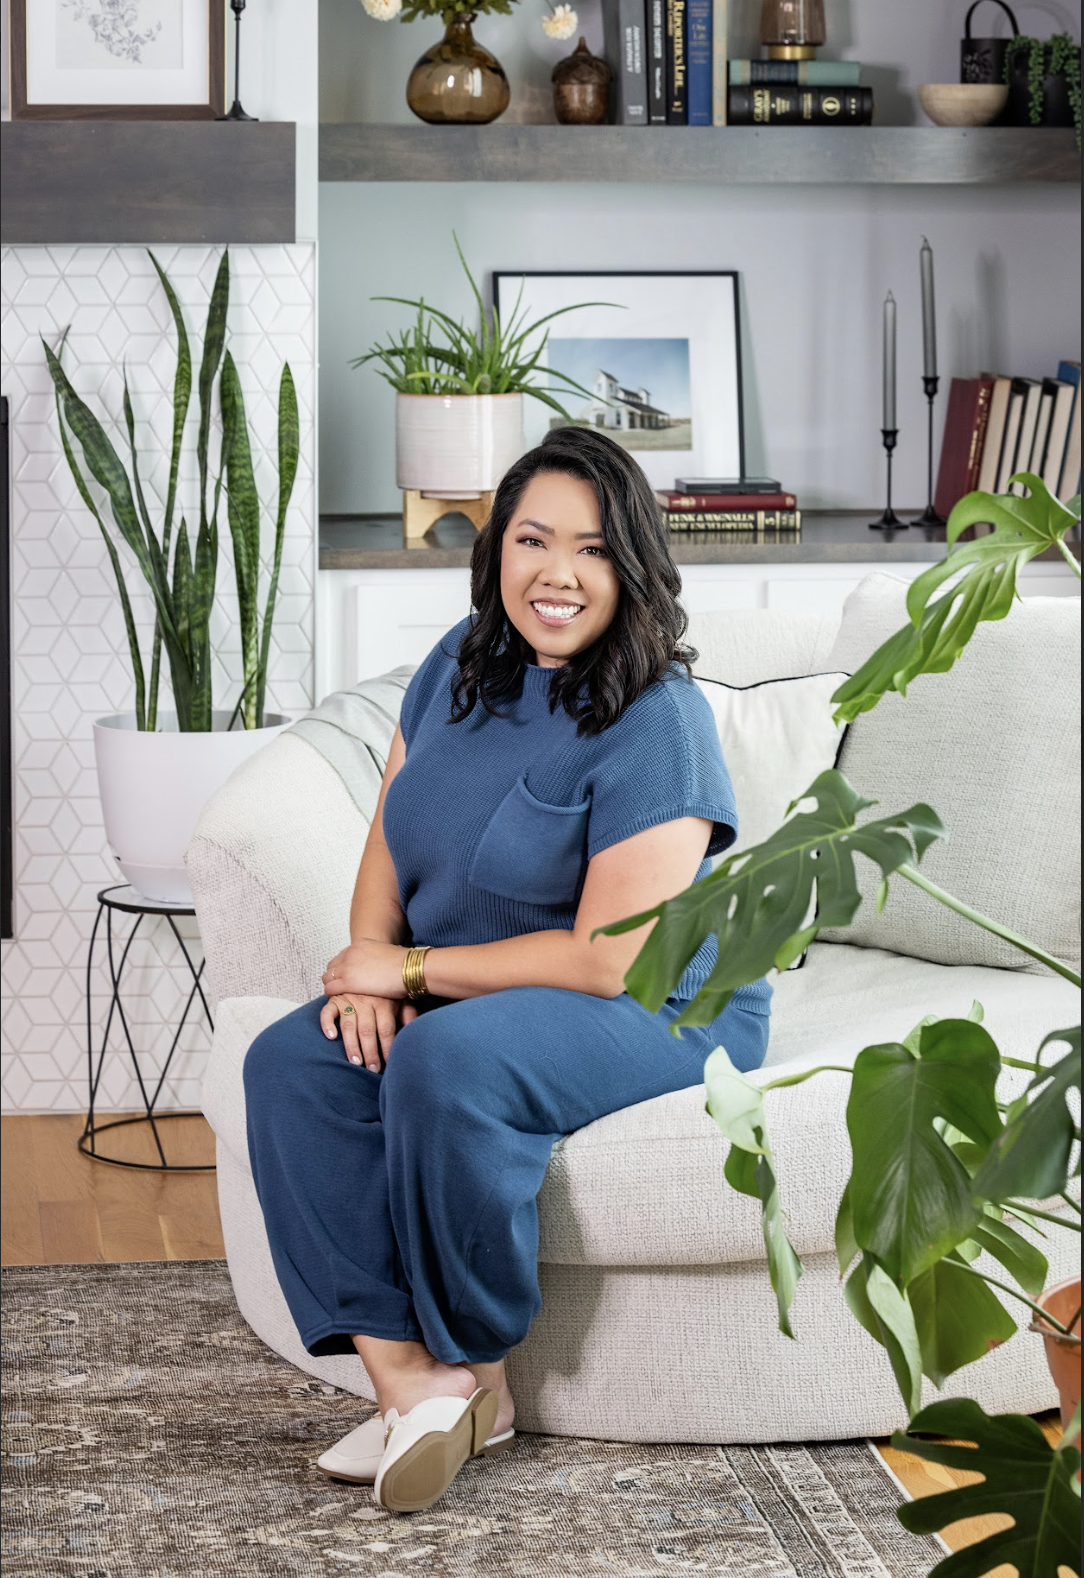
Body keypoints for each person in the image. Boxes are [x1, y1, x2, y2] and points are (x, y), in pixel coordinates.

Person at [242, 425, 773, 1514]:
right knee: (292, 1062)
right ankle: (415, 1389)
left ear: (631, 568)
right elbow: (392, 826)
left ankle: (478, 1368)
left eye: (591, 549)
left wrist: (413, 970)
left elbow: (606, 960)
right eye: (532, 540)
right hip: (479, 976)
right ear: (495, 553)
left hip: (659, 1002)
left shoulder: (659, 720)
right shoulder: (458, 662)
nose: (558, 575)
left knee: (441, 1061)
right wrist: (361, 970)